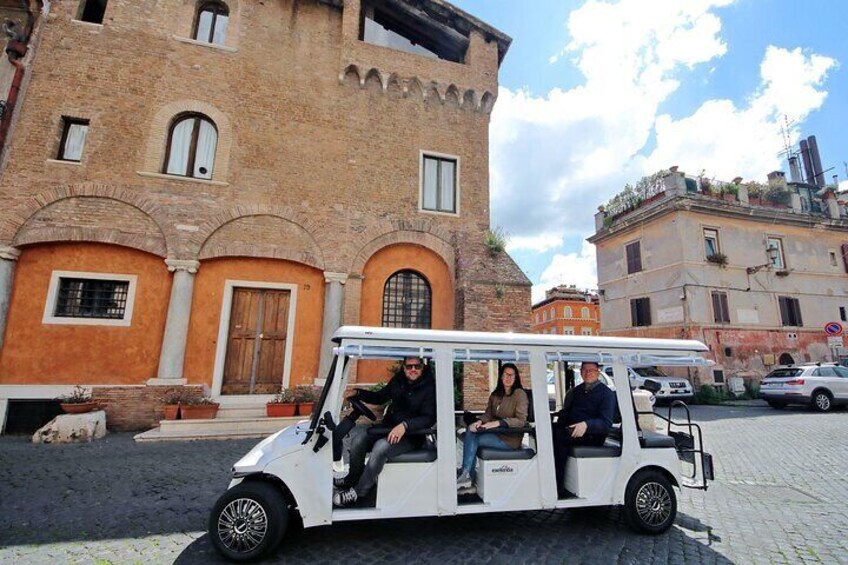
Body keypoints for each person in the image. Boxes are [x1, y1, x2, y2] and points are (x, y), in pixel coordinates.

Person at [333, 356, 436, 507]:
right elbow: (380, 397)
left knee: (381, 447)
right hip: (388, 428)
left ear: (422, 367)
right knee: (358, 439)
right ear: (404, 368)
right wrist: (358, 393)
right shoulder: (399, 381)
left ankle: (359, 491)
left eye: (417, 366)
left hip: (412, 435)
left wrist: (405, 425)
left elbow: (428, 418)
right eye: (409, 366)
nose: (413, 369)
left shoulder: (429, 387)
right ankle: (351, 478)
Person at [457, 363, 528, 490]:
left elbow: (521, 421)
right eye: (506, 374)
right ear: (501, 376)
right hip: (495, 434)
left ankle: (466, 474)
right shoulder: (496, 395)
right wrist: (479, 422)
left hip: (509, 439)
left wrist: (499, 423)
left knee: (473, 437)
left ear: (516, 377)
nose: (509, 377)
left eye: (512, 375)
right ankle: (466, 473)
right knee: (469, 431)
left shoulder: (519, 394)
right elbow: (488, 415)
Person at [551, 361, 616, 496]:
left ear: (598, 372)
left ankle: (557, 485)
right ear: (580, 372)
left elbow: (606, 423)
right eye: (585, 370)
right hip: (573, 430)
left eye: (591, 370)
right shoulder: (577, 391)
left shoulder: (606, 394)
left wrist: (586, 425)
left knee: (558, 437)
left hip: (592, 434)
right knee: (546, 432)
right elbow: (567, 413)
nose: (587, 373)